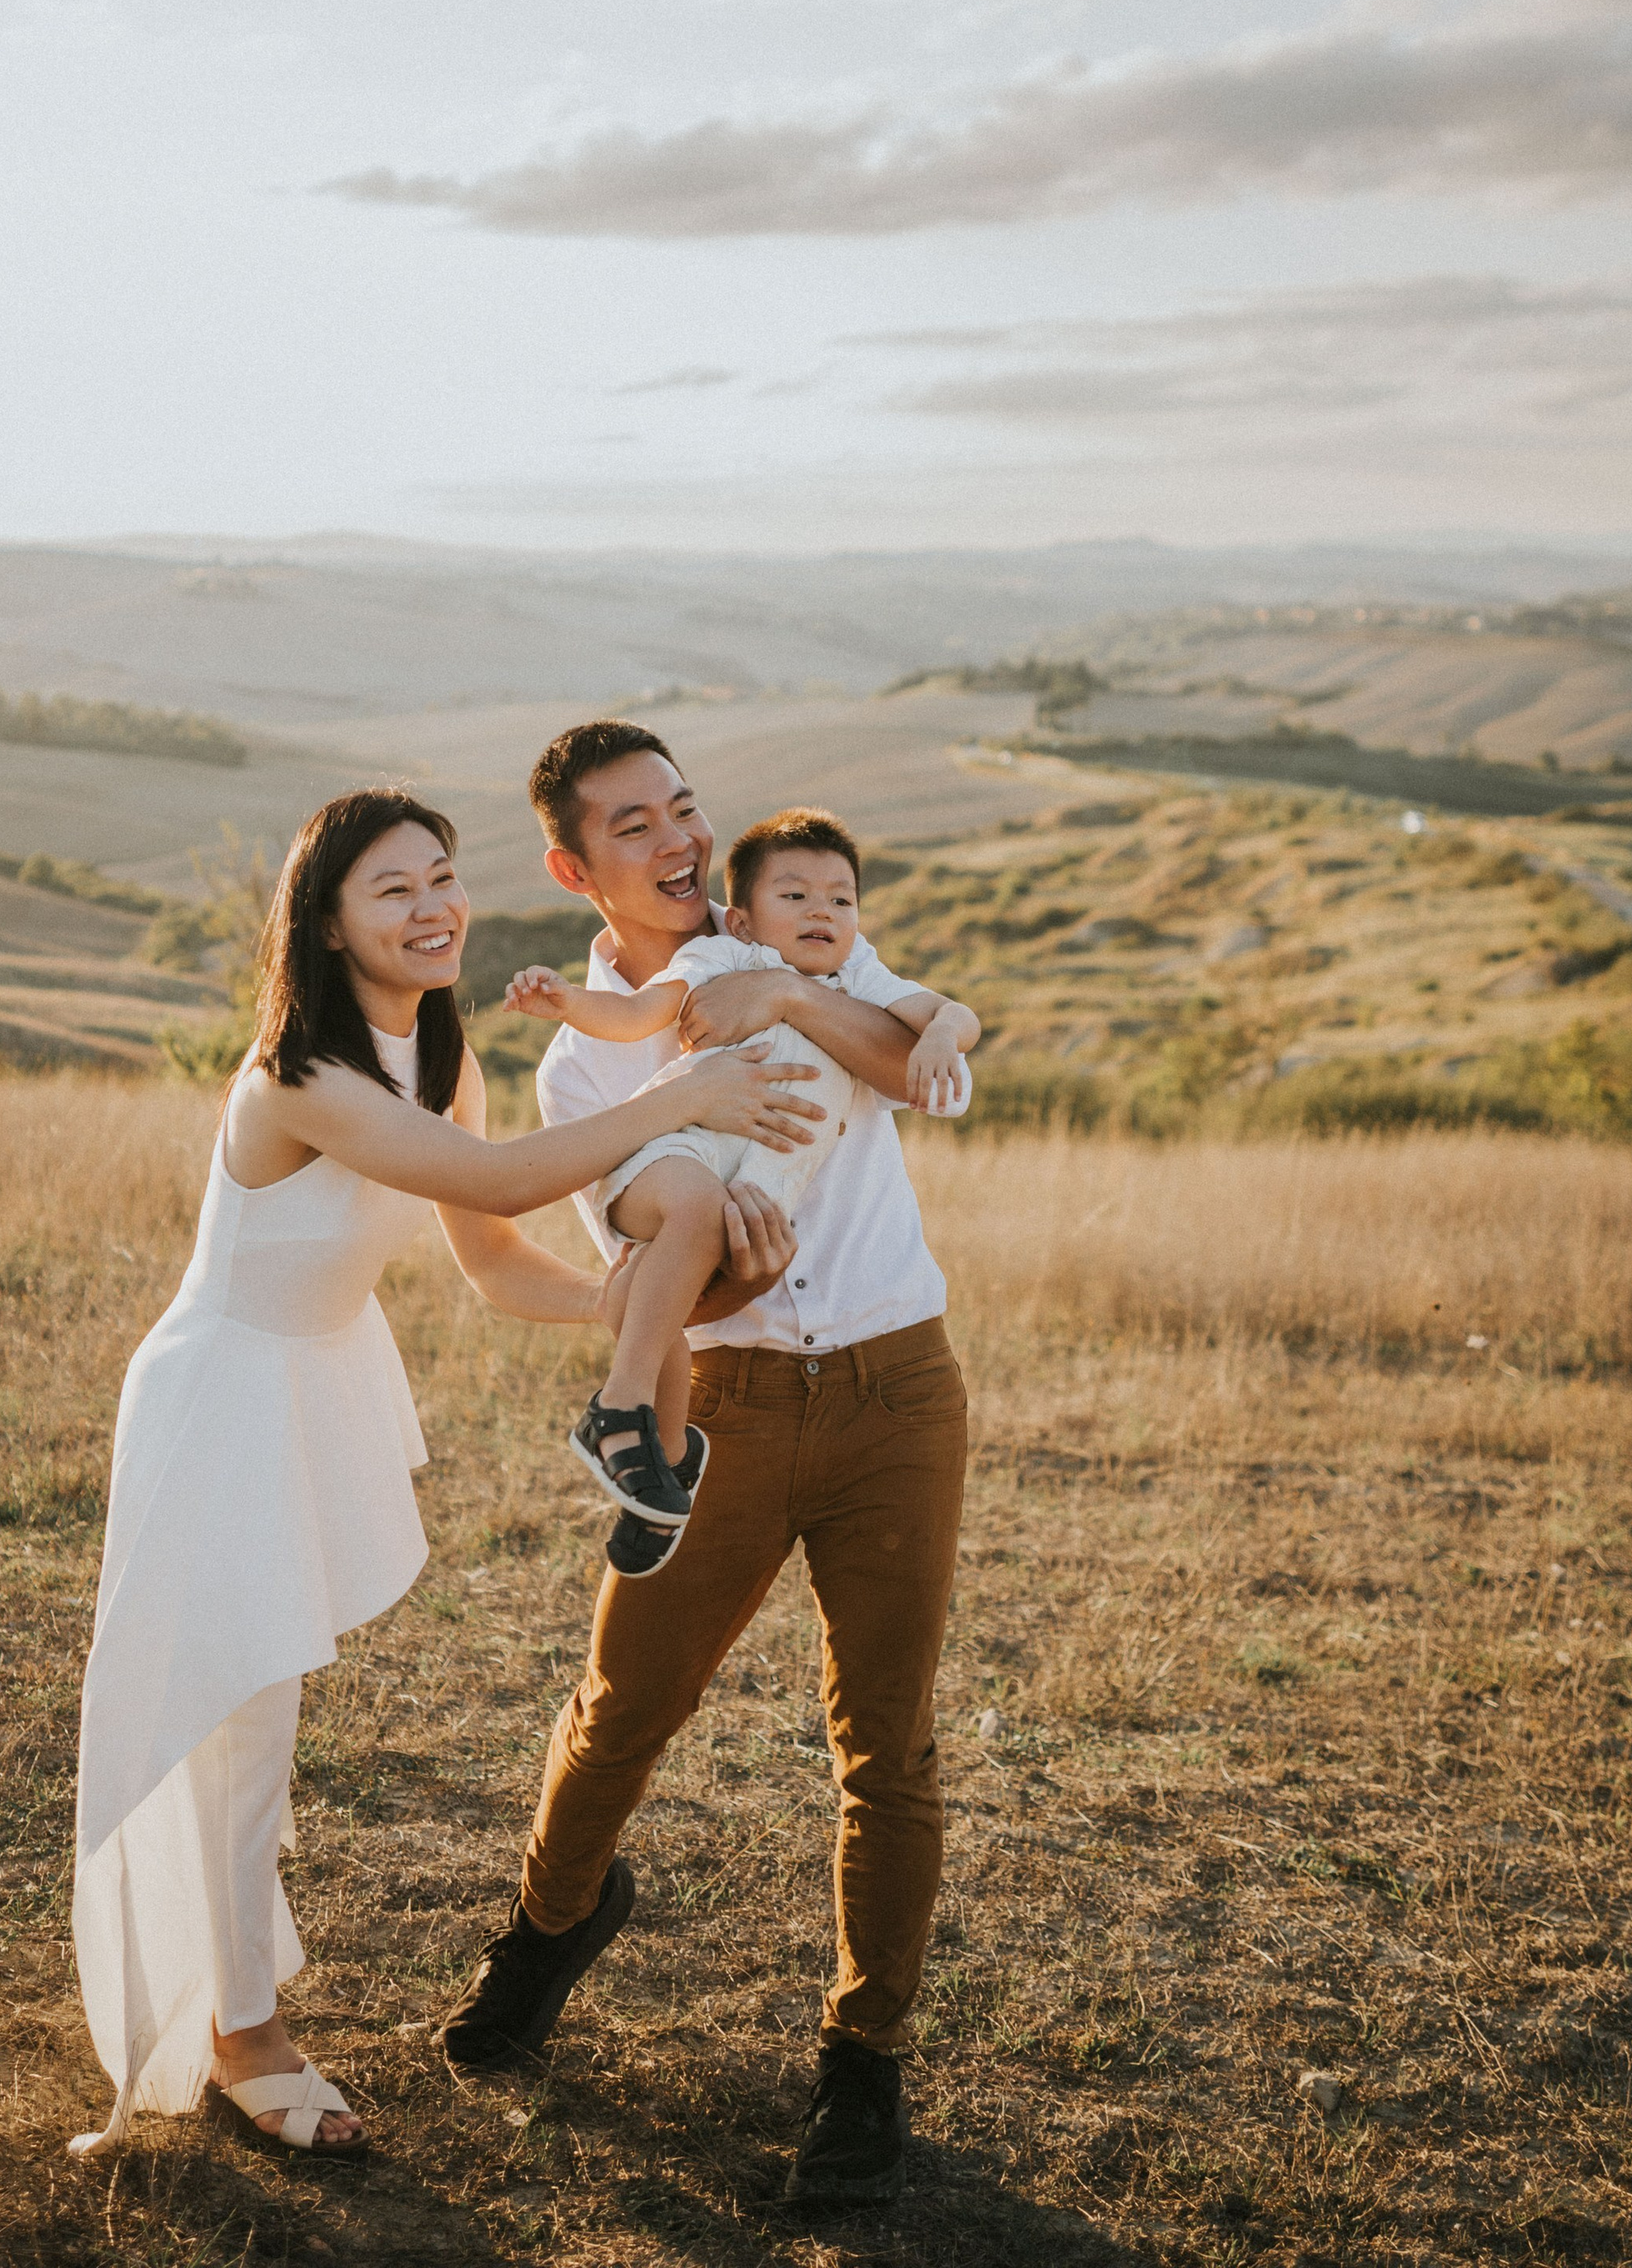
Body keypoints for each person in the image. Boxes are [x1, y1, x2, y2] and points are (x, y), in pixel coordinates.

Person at [67, 785, 816, 2161]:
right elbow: (514, 1175)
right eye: (394, 891)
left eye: (443, 878)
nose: (434, 909)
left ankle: (235, 2011)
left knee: (258, 1719)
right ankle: (241, 2038)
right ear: (329, 923)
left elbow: (493, 1257)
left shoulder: (443, 1058)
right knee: (229, 1716)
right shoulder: (302, 1077)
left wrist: (642, 1296)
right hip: (223, 1395)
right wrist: (686, 1090)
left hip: (312, 1382)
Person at [441, 728, 974, 2211]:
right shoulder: (576, 1065)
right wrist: (729, 1265)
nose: (677, 837)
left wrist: (794, 988)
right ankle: (551, 1924)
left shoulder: (796, 933)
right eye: (635, 823)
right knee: (624, 1706)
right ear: (575, 866)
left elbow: (914, 1068)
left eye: (684, 805)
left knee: (891, 1743)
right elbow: (663, 1288)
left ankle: (863, 2064)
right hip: (724, 1408)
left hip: (898, 1389)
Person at [502, 806, 976, 1565]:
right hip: (675, 1165)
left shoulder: (857, 977)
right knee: (681, 1225)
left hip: (868, 1346)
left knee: (650, 1279)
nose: (822, 910)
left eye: (842, 899)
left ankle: (662, 1467)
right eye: (796, 896)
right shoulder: (721, 963)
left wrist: (938, 1032)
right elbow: (634, 1015)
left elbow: (946, 1026)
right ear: (748, 922)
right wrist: (565, 1002)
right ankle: (620, 1413)